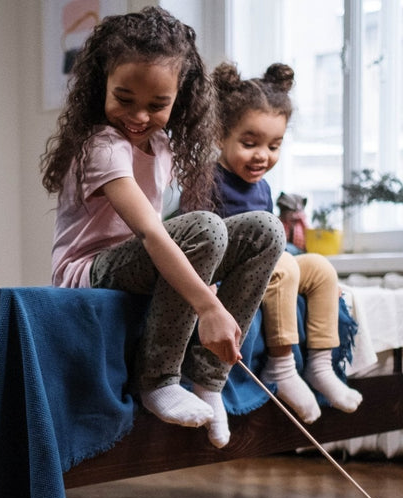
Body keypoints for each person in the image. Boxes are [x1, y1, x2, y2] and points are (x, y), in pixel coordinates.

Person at [41, 7, 284, 448]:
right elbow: (155, 233)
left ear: (180, 98)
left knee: (265, 230)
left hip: (138, 261)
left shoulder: (163, 145)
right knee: (205, 229)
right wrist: (206, 306)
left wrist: (202, 281)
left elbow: (173, 234)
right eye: (124, 98)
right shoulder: (103, 146)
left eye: (157, 105)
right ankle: (157, 379)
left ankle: (209, 380)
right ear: (101, 86)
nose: (138, 116)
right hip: (89, 272)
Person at [211, 62, 362, 423]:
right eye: (250, 143)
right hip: (235, 273)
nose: (263, 154)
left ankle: (321, 365)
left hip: (270, 263)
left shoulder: (262, 187)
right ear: (220, 135)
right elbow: (199, 241)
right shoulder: (209, 181)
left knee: (320, 268)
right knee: (282, 266)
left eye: (274, 145)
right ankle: (281, 366)